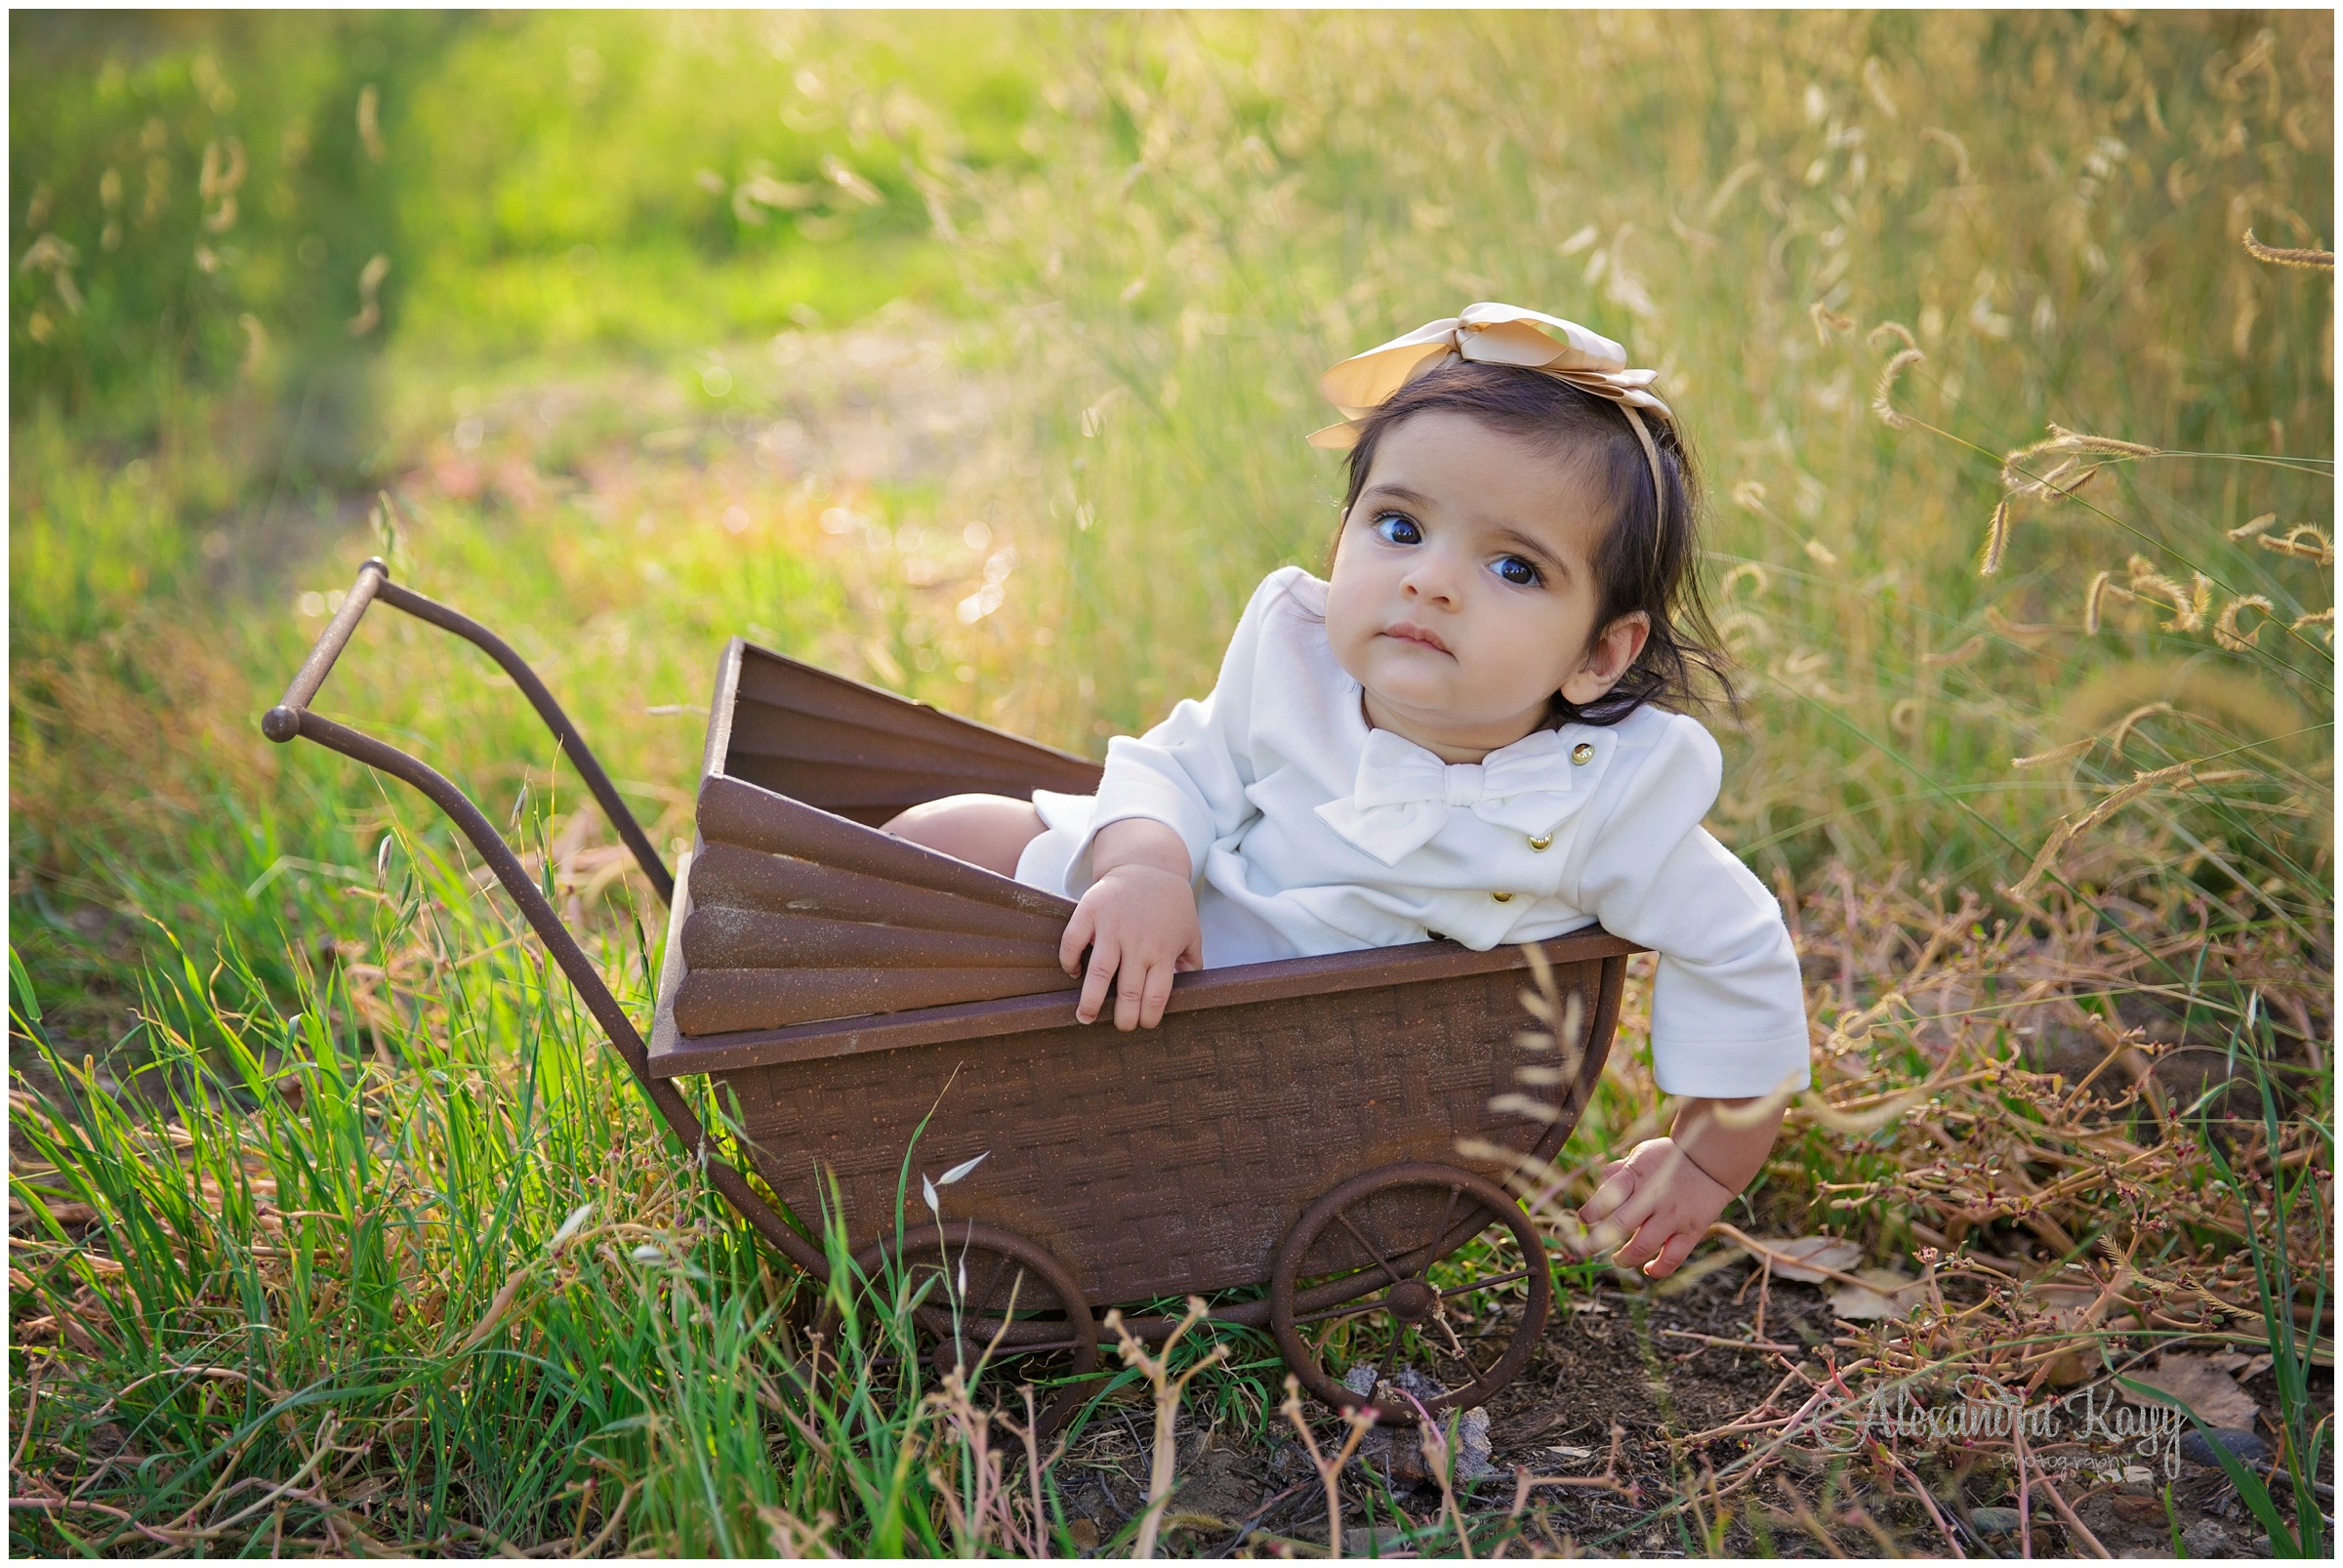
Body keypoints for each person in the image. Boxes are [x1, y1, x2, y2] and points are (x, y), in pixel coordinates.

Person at [885, 304, 1810, 1281]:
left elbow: (1738, 944)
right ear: (1342, 541)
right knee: (940, 838)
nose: (1430, 582)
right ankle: (824, 1047)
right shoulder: (1293, 663)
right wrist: (1146, 866)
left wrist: (1707, 1161)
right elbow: (1178, 764)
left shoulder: (1601, 801)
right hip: (1155, 933)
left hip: (1283, 1066)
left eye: (1512, 567)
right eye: (1400, 526)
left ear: (1597, 653)